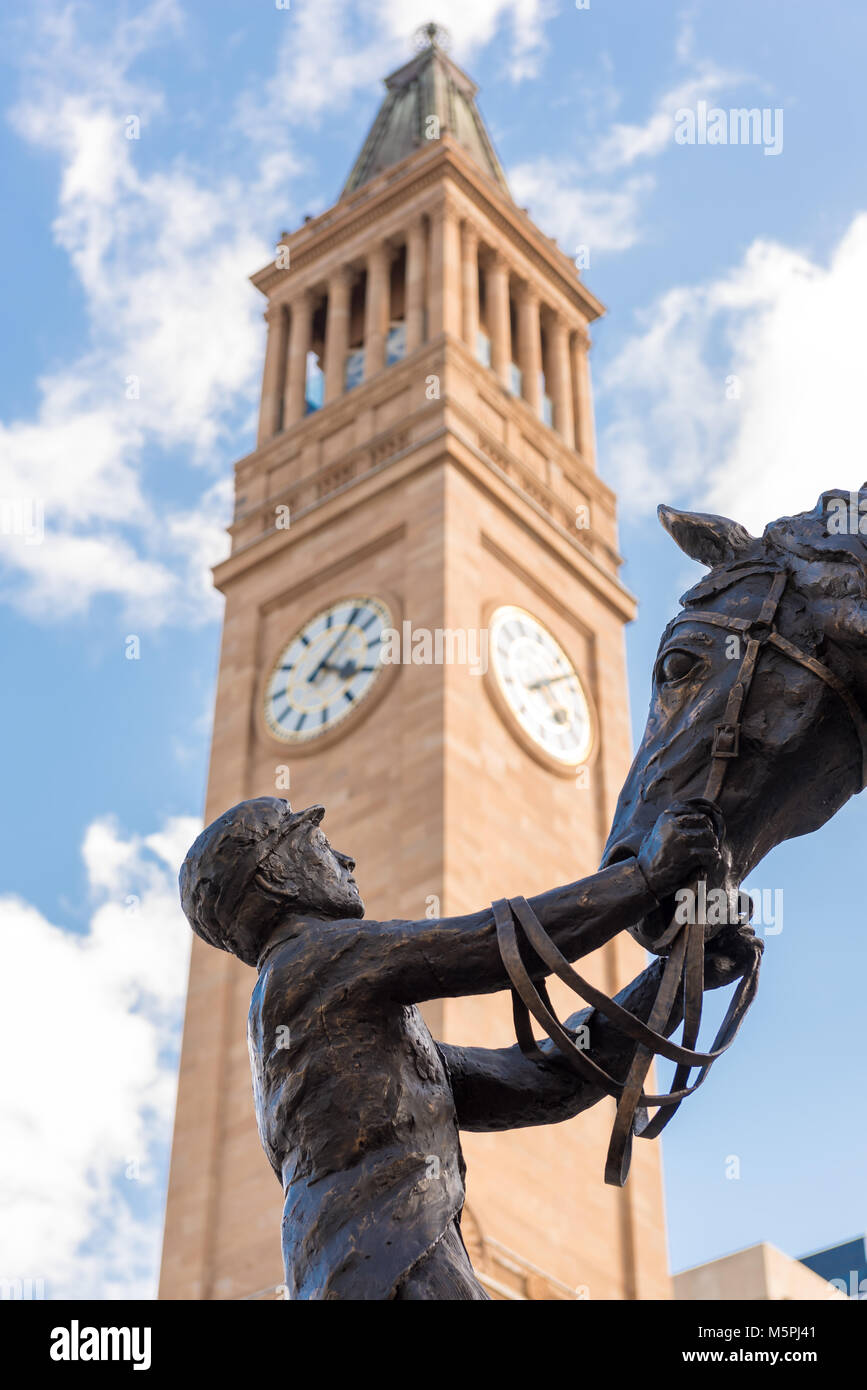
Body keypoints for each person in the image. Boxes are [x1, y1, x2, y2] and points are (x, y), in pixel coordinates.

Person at [179, 796, 755, 1300]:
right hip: (385, 1270)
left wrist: (676, 981)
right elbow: (491, 945)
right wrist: (647, 876)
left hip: (393, 1264)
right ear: (278, 879)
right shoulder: (313, 961)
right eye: (322, 845)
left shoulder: (357, 1029)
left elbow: (542, 1080)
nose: (347, 861)